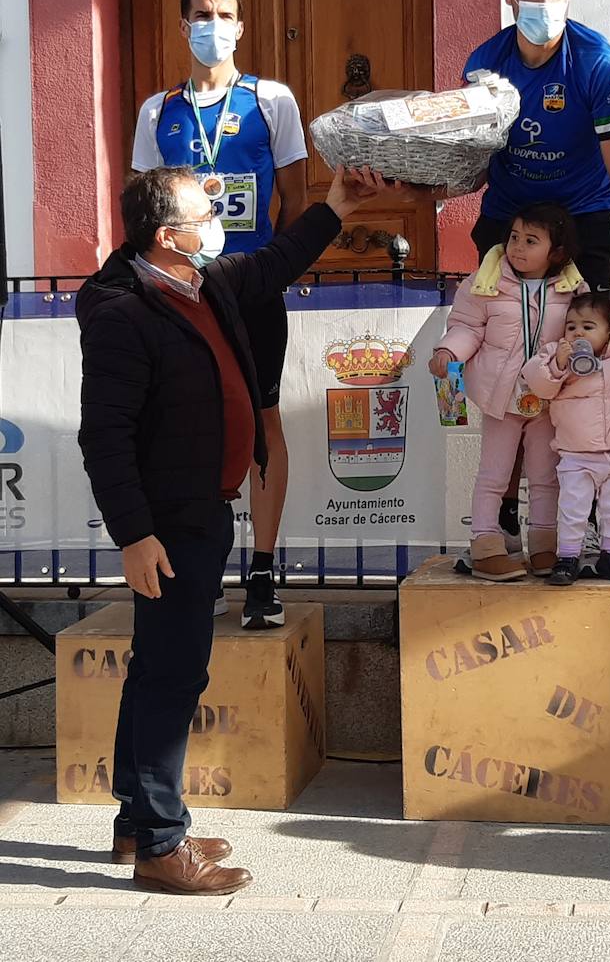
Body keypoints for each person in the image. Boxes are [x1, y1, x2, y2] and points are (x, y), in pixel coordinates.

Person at [76, 162, 389, 894]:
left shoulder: (202, 283)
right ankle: (161, 845)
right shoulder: (124, 314)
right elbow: (105, 436)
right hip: (169, 521)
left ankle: (136, 823)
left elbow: (275, 261)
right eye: (204, 214)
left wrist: (336, 205)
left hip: (204, 511)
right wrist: (134, 535)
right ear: (167, 236)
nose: (217, 222)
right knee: (173, 676)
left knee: (157, 669)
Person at [464, 0, 610, 541]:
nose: (543, 0)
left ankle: (583, 524)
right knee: (507, 362)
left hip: (584, 224)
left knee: (580, 368)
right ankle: (502, 523)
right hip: (509, 226)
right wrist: (412, 176)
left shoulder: (597, 63)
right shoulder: (485, 65)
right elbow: (471, 167)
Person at [132, 0, 308, 630]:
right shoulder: (158, 112)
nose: (214, 25)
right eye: (202, 15)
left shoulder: (272, 100)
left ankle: (262, 570)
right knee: (192, 428)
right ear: (184, 27)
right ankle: (203, 566)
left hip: (250, 286)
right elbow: (145, 206)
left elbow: (296, 196)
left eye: (225, 14)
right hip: (184, 291)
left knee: (263, 423)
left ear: (241, 26)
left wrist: (276, 266)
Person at [428, 203, 586, 580]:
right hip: (502, 399)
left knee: (546, 476)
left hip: (548, 399)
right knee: (494, 476)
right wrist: (448, 351)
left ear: (557, 252)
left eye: (531, 241)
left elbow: (584, 330)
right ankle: (486, 547)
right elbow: (468, 326)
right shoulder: (486, 281)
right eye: (514, 237)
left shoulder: (573, 289)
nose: (518, 247)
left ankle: (545, 548)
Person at [523, 293, 610, 586]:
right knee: (573, 510)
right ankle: (567, 558)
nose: (578, 333)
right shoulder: (557, 354)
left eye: (588, 327)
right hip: (576, 455)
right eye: (571, 326)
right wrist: (558, 364)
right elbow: (539, 385)